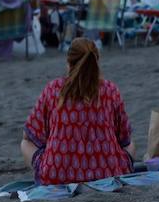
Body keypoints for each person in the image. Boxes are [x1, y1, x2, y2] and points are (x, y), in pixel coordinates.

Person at [20, 38, 132, 185]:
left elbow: (29, 135)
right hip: (108, 172)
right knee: (129, 145)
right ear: (96, 62)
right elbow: (124, 138)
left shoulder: (53, 90)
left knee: (26, 142)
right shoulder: (110, 91)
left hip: (57, 175)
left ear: (69, 63)